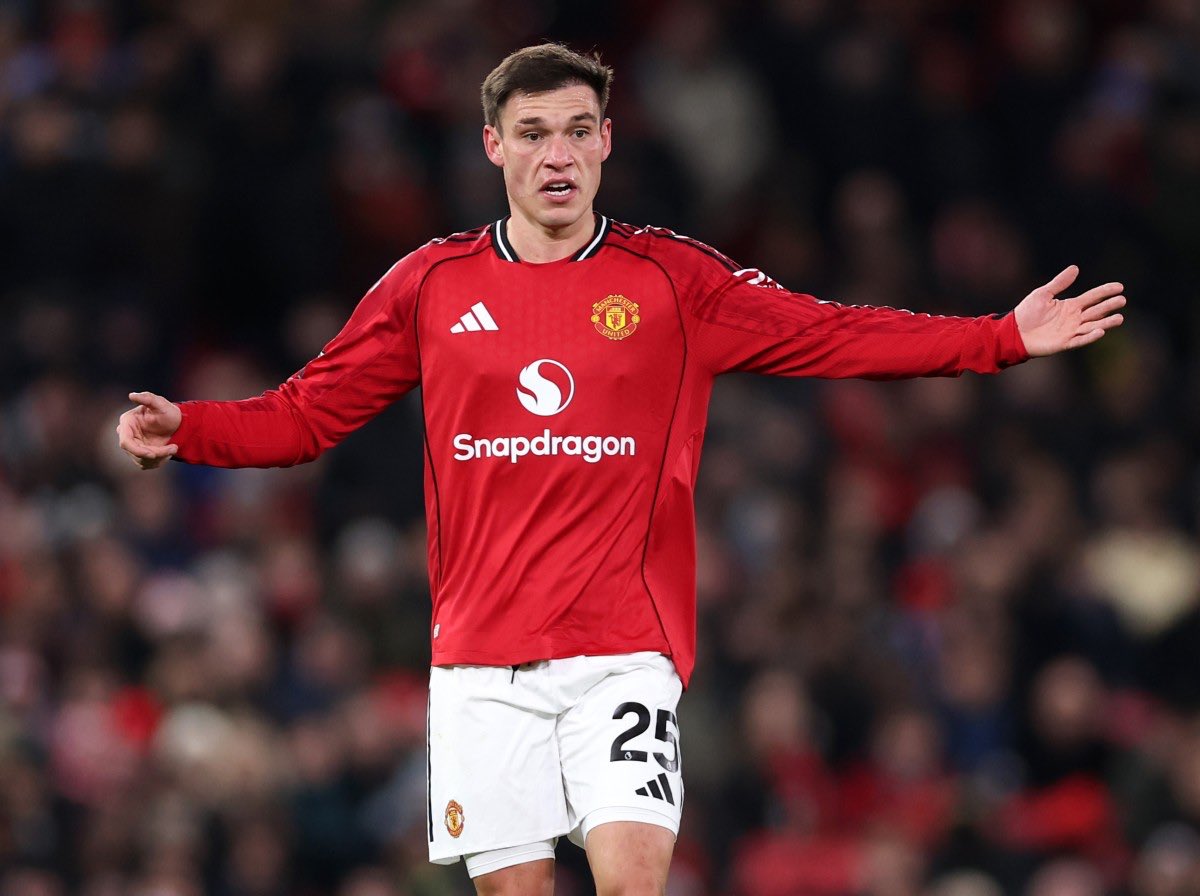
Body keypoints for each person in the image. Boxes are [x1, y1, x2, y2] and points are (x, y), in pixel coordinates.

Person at [117, 43, 1126, 896]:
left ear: (606, 141)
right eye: (532, 133)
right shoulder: (430, 286)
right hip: (479, 663)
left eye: (576, 130)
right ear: (493, 147)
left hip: (621, 651)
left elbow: (831, 332)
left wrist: (999, 337)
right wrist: (191, 428)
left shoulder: (673, 282)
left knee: (631, 880)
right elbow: (307, 413)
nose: (556, 154)